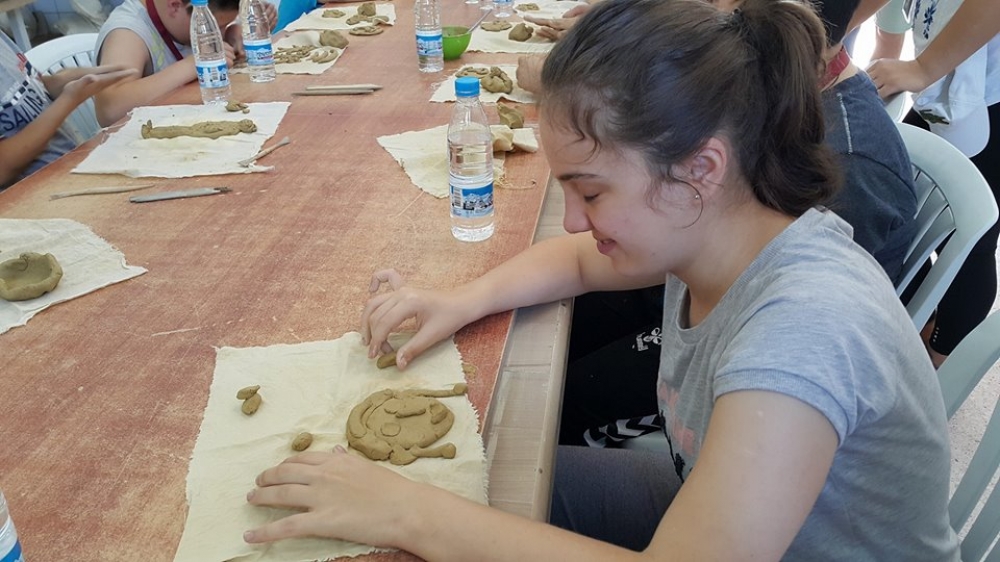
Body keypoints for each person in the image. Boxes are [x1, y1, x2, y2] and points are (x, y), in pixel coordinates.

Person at [242, 0, 959, 558]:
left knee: (432, 504)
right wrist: (459, 301)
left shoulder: (801, 331)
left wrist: (407, 514)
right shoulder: (721, 225)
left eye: (590, 191)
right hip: (705, 502)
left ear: (699, 168)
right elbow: (580, 259)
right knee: (470, 473)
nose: (576, 221)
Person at [558, 0, 920, 447]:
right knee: (567, 327)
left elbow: (788, 340)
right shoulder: (752, 110)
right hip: (691, 290)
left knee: (566, 394)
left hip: (732, 338)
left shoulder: (850, 169)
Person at [868, 0, 1000, 367]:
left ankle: (941, 365)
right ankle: (922, 324)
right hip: (941, 80)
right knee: (900, 213)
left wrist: (923, 68)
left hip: (985, 93)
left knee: (970, 245)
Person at [92, 0, 275, 127]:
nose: (217, 34)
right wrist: (192, 64)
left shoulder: (184, 16)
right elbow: (109, 110)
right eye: (215, 26)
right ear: (174, 6)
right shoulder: (127, 32)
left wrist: (232, 32)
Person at [0, 33, 135, 190]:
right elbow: (3, 167)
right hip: (29, 194)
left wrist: (61, 82)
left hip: (69, 167)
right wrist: (69, 100)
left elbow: (32, 87)